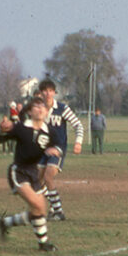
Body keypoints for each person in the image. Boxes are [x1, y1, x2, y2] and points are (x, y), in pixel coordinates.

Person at [0, 95, 57, 252]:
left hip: (34, 172)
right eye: (36, 106)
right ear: (29, 112)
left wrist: (54, 150)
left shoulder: (49, 132)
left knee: (40, 210)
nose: (40, 109)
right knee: (37, 205)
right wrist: (2, 129)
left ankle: (6, 223)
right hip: (19, 171)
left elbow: (57, 146)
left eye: (43, 106)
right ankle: (43, 243)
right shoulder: (21, 128)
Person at [36, 79, 83, 221]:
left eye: (50, 90)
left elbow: (78, 125)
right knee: (38, 181)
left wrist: (78, 143)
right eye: (45, 90)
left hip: (58, 148)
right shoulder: (38, 109)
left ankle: (58, 211)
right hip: (43, 149)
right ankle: (51, 207)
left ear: (54, 92)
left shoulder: (62, 108)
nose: (48, 93)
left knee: (49, 176)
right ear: (41, 93)